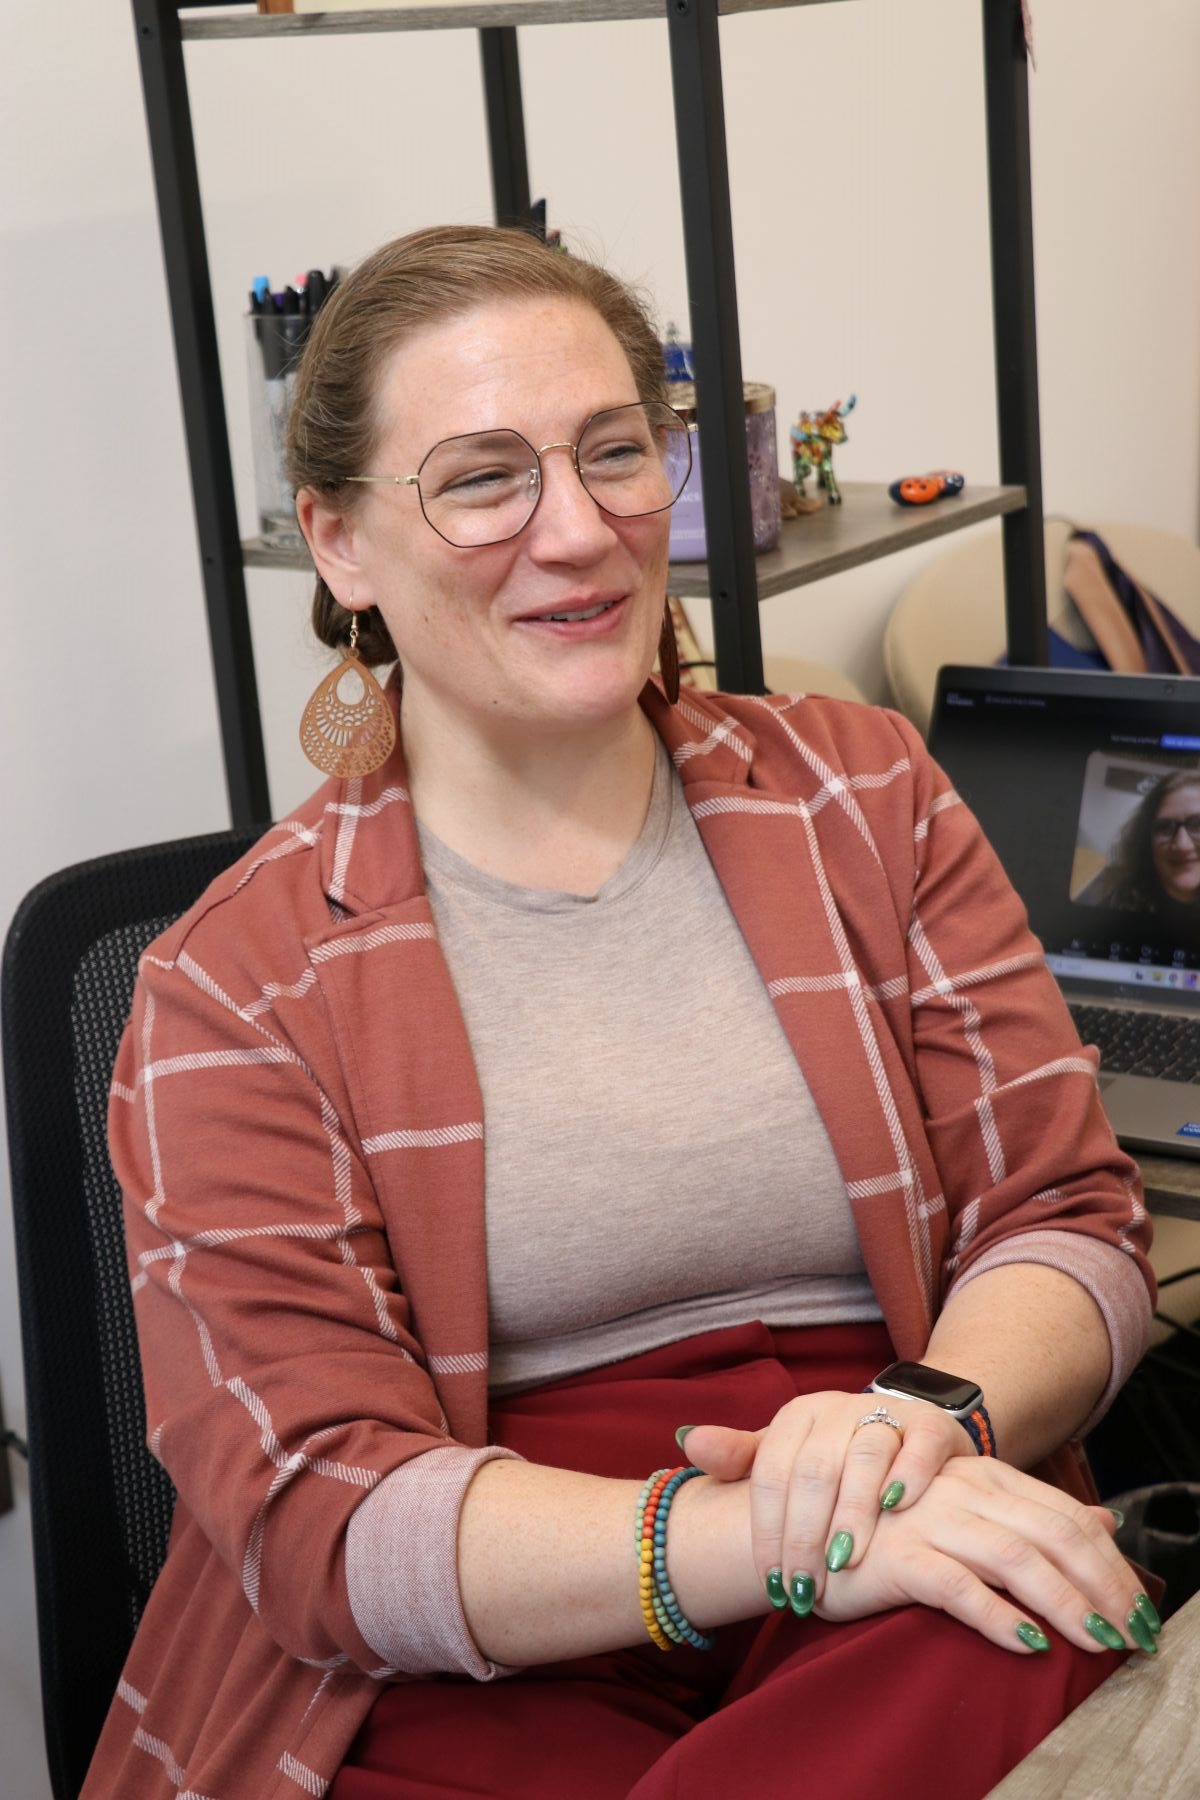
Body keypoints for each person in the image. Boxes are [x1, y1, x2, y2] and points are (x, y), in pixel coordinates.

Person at [87, 226, 1160, 1800]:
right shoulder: (232, 981)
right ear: (339, 543)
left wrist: (922, 1420)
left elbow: (1068, 1221)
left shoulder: (865, 794)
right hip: (502, 1609)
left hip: (905, 1482)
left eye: (615, 454)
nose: (578, 530)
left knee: (1031, 1613)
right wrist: (754, 1541)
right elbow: (319, 1512)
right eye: (481, 478)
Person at [1084, 768, 1200, 913]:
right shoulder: (1116, 905)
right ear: (1146, 842)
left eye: (1197, 825)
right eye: (1164, 827)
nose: (1182, 845)